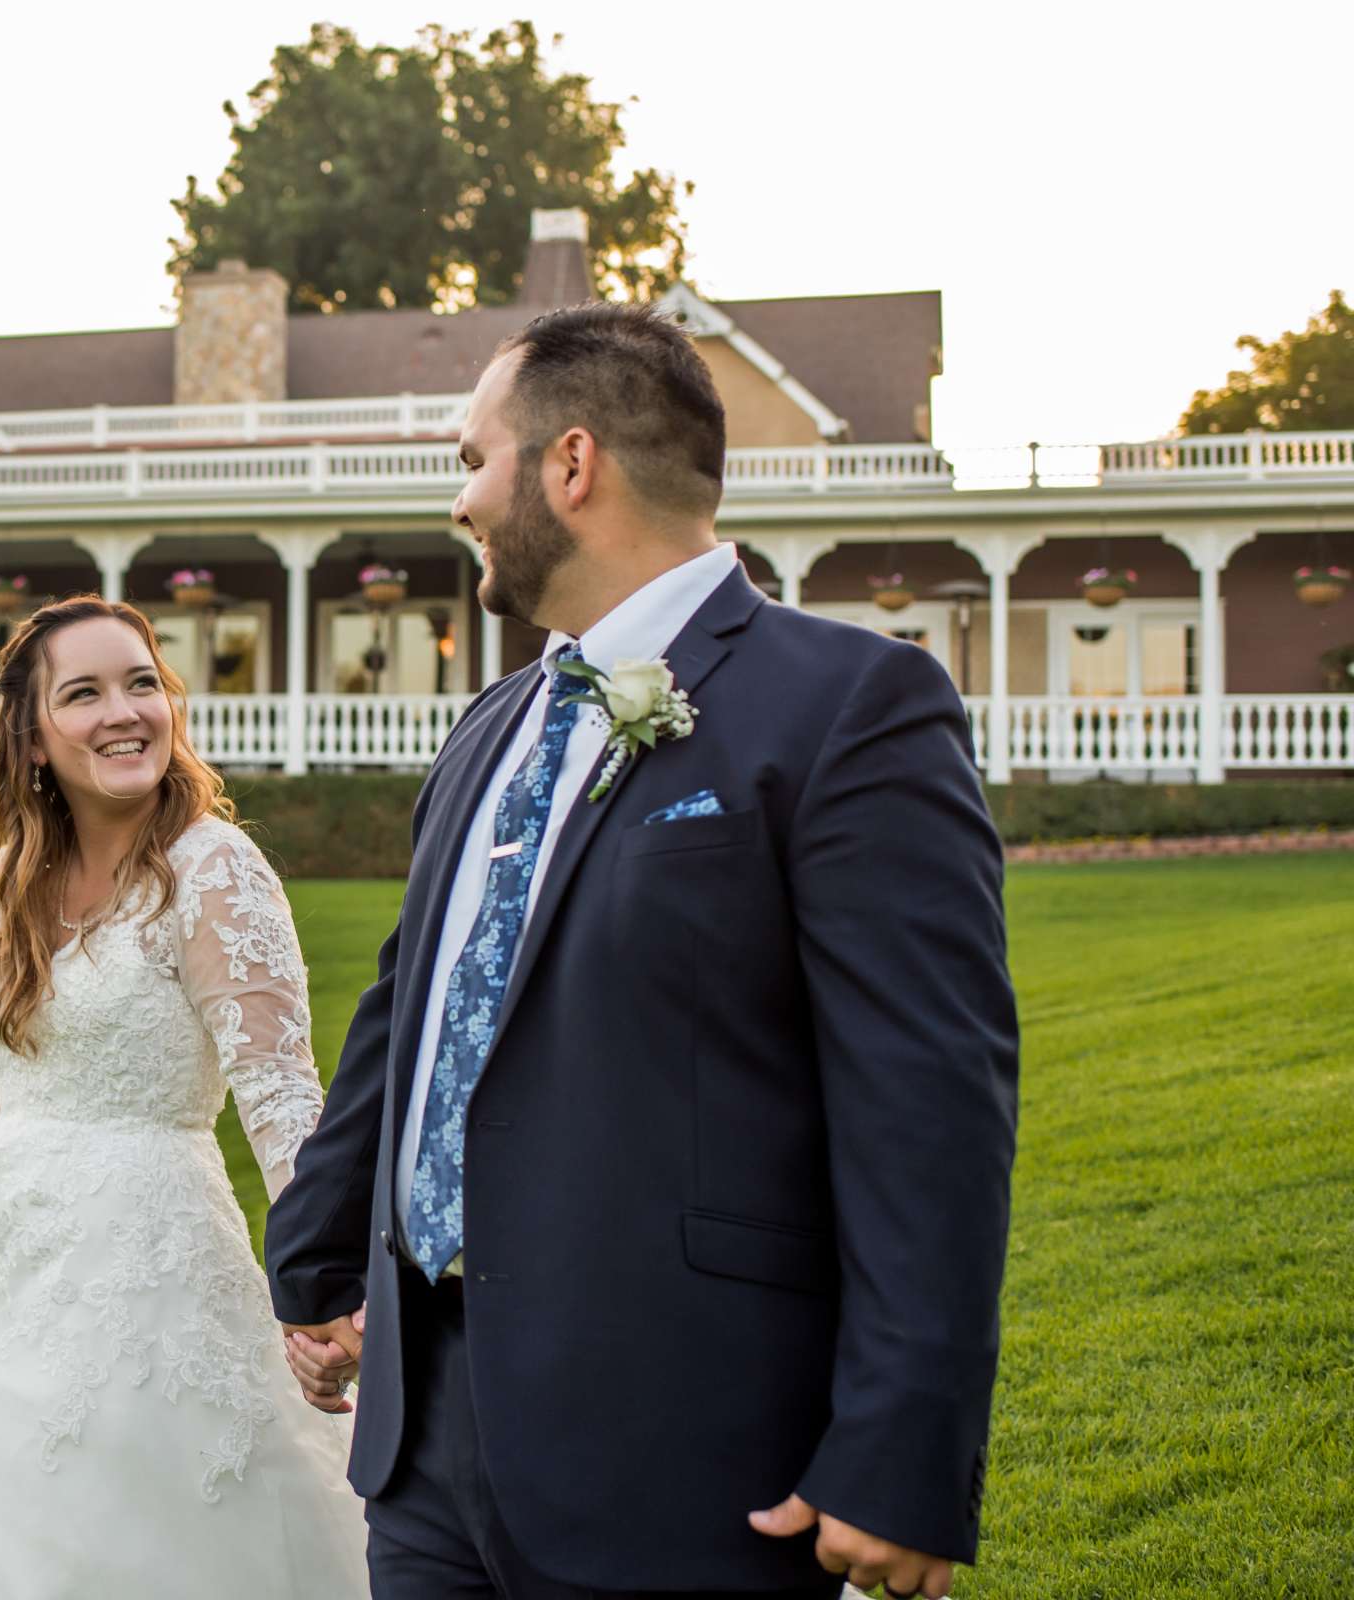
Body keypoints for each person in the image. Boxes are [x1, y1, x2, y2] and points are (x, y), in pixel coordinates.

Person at [264, 302, 1020, 1600]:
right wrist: (319, 1255)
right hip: (426, 1449)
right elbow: (420, 1002)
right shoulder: (486, 732)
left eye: (470, 459)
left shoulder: (847, 710)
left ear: (570, 466)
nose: (457, 502)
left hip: (679, 1450)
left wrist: (903, 1445)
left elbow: (928, 1102)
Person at [0, 596, 371, 1598]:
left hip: (151, 1282)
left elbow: (281, 1098)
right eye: (86, 692)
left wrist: (329, 1285)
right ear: (33, 735)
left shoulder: (216, 872)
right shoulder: (24, 869)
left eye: (142, 682)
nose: (125, 711)